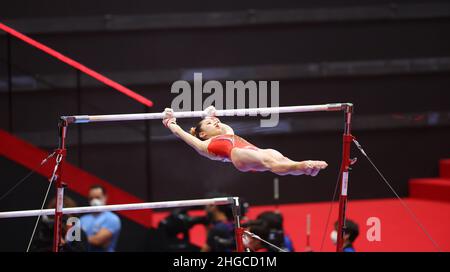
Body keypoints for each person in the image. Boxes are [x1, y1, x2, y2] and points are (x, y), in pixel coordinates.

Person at [162, 106, 328, 176]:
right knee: (270, 163)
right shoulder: (203, 145)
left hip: (254, 152)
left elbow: (220, 121)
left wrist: (209, 116)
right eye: (209, 124)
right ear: (203, 134)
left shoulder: (227, 132)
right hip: (239, 156)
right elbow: (182, 134)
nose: (215, 123)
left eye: (214, 121)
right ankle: (301, 166)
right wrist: (170, 122)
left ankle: (305, 169)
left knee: (276, 156)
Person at [80, 185, 121, 252]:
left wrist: (80, 239)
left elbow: (98, 241)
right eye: (91, 198)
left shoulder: (112, 218)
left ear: (105, 197)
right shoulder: (83, 219)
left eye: (97, 198)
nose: (94, 201)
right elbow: (74, 241)